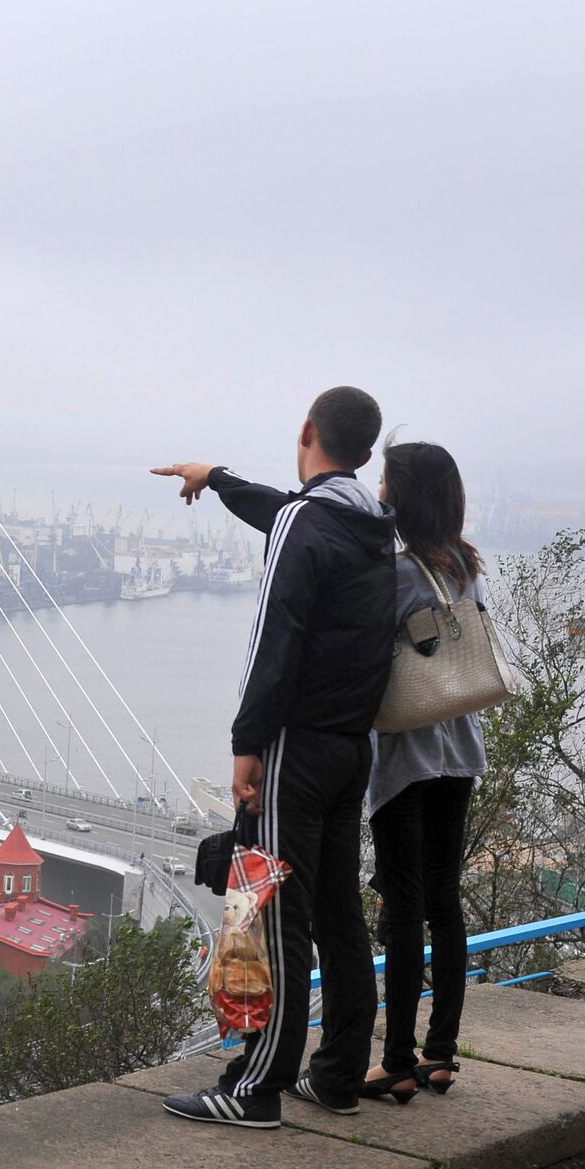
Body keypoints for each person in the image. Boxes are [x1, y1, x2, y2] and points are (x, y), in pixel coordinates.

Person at [149, 386, 396, 1129]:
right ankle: (339, 1072)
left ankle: (254, 1086)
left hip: (296, 747)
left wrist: (246, 744)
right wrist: (218, 476)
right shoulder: (370, 525)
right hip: (352, 749)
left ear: (307, 430)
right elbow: (287, 512)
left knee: (274, 915)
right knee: (337, 912)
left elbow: (273, 640)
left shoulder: (307, 522)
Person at [361, 440, 488, 1102]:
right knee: (445, 899)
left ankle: (397, 1060)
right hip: (459, 751)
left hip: (405, 758)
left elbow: (364, 652)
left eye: (385, 480)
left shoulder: (398, 572)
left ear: (400, 494)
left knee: (403, 906)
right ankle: (440, 1055)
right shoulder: (465, 566)